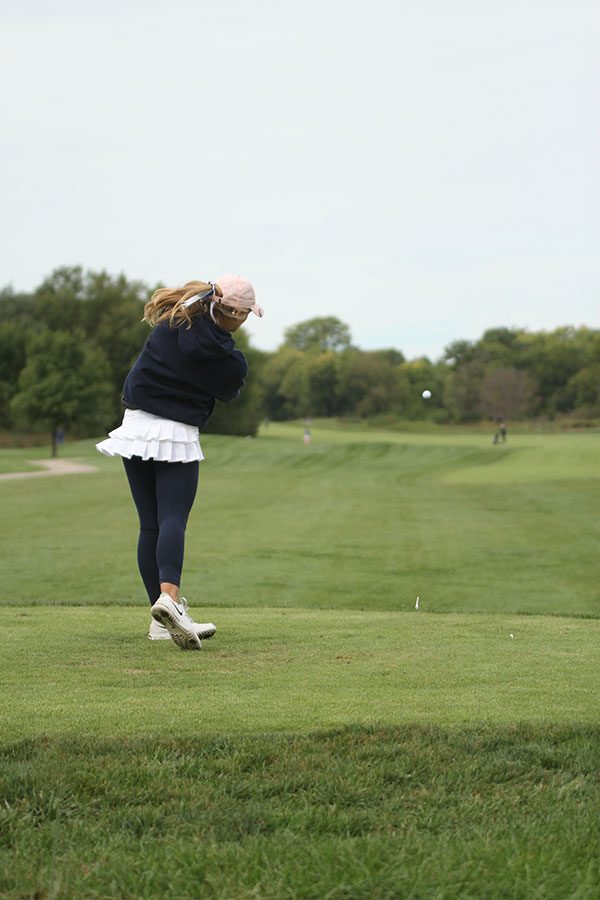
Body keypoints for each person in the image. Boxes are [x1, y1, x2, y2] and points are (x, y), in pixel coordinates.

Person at [96, 275, 263, 650]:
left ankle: (159, 618)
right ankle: (169, 599)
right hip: (175, 434)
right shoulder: (229, 359)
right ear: (235, 314)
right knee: (174, 518)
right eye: (247, 315)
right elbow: (230, 388)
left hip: (135, 427)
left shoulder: (170, 323)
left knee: (150, 525)